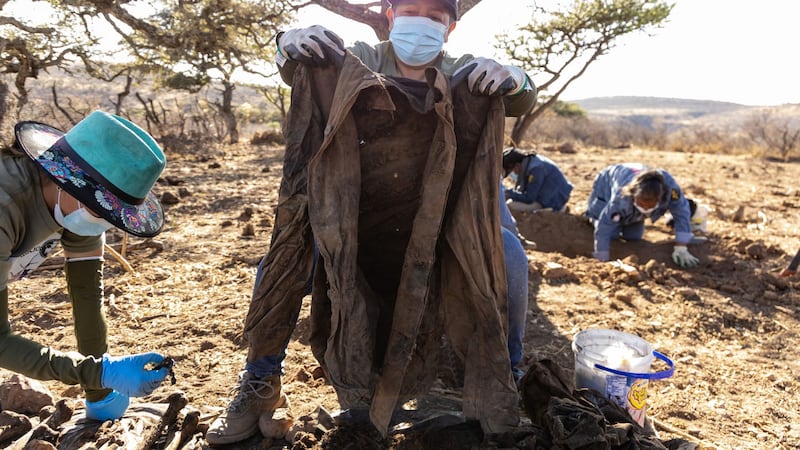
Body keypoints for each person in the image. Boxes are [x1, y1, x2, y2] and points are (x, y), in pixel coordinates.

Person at [206, 0, 536, 444]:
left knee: (509, 256)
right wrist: (286, 43)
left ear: (451, 28)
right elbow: (299, 68)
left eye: (434, 16)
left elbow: (519, 96)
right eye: (409, 10)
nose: (421, 22)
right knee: (286, 256)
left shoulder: (463, 70)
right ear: (390, 18)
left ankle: (506, 378)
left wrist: (515, 77)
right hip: (356, 210)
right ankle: (260, 381)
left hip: (438, 219)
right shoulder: (359, 57)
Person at [1, 111, 171, 421]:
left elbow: (87, 297)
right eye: (103, 211)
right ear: (65, 181)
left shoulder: (80, 209)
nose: (105, 222)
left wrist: (99, 392)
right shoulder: (5, 206)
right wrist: (100, 373)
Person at [585, 163, 700, 268]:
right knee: (612, 234)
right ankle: (592, 219)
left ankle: (630, 219)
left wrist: (681, 246)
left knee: (634, 236)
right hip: (608, 180)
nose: (645, 208)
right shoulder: (621, 196)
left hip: (635, 200)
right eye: (641, 204)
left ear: (660, 198)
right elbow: (605, 225)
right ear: (633, 196)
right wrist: (602, 259)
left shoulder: (671, 190)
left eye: (650, 205)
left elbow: (681, 212)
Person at [502, 147, 573, 213]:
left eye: (512, 170)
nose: (513, 173)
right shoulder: (531, 161)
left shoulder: (536, 169)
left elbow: (529, 198)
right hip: (549, 197)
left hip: (553, 202)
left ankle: (557, 211)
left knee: (510, 205)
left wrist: (508, 193)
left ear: (517, 165)